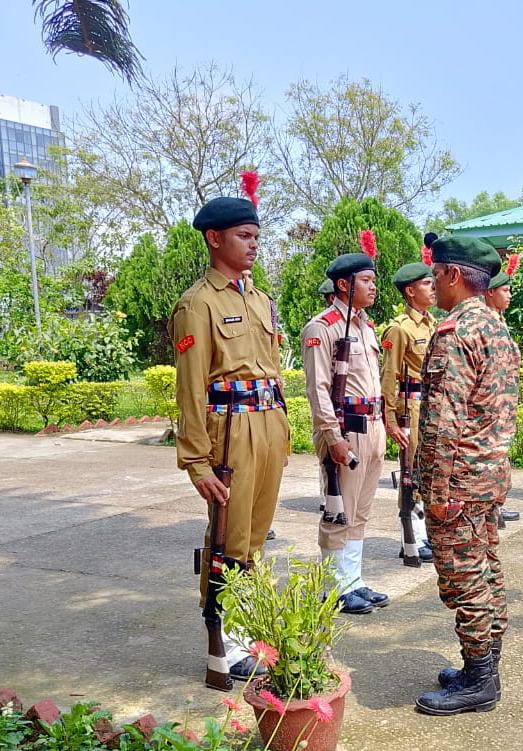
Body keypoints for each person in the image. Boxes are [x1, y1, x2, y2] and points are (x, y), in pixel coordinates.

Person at [168, 185, 289, 683]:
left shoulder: (259, 298)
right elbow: (191, 388)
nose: (254, 243)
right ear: (214, 239)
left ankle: (246, 630)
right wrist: (196, 461)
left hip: (268, 425)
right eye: (244, 235)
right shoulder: (197, 305)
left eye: (258, 235)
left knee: (256, 536)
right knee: (228, 538)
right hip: (230, 433)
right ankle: (225, 641)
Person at [413, 236, 519, 716]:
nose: (432, 284)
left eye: (436, 275)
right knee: (488, 571)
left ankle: (479, 680)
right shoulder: (496, 326)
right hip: (487, 477)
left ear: (454, 275)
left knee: (465, 581)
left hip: (457, 482)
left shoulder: (455, 333)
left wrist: (435, 491)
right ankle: (486, 665)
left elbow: (443, 420)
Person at [301, 252, 389, 615]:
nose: (373, 286)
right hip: (346, 429)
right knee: (339, 511)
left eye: (373, 280)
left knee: (361, 510)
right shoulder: (322, 327)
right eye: (366, 280)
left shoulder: (366, 326)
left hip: (373, 425)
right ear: (343, 284)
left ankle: (352, 580)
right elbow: (318, 388)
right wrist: (332, 436)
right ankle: (333, 587)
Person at [381, 259, 436, 563]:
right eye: (427, 284)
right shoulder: (398, 330)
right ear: (411, 291)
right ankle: (410, 536)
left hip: (429, 405)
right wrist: (389, 418)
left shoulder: (433, 324)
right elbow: (389, 376)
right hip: (410, 408)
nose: (434, 288)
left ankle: (424, 531)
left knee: (426, 470)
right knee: (410, 472)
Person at [484, 259, 523, 525]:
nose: (509, 295)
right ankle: (489, 505)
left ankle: (498, 502)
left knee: (501, 458)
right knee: (489, 458)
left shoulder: (500, 321)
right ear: (490, 292)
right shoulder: (485, 323)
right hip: (492, 403)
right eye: (505, 290)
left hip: (504, 404)